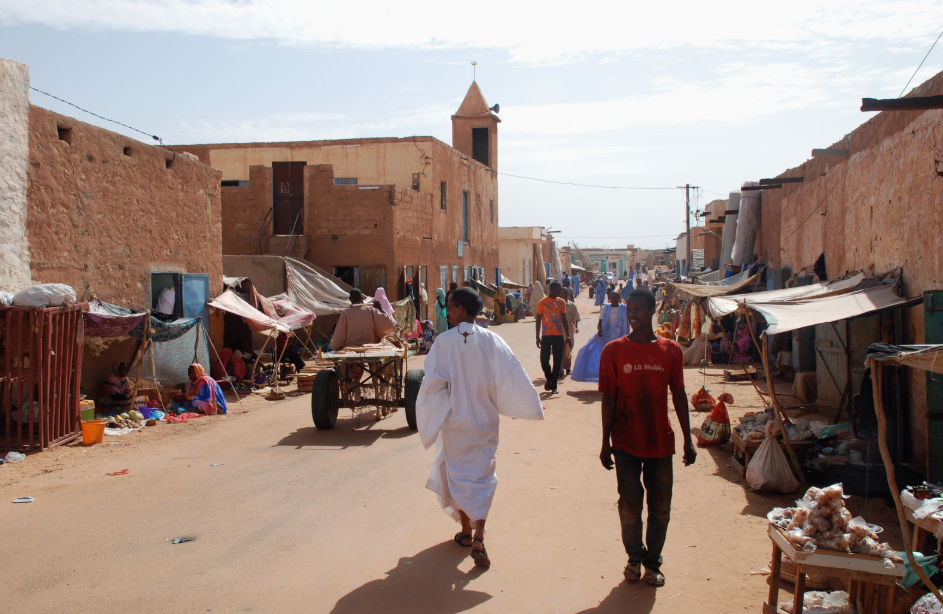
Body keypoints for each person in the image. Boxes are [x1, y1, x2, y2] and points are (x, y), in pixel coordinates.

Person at [416, 287, 544, 568]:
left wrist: (431, 413)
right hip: (484, 421)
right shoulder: (492, 340)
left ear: (461, 309)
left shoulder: (445, 342)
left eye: (449, 307)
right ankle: (478, 536)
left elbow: (431, 383)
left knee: (457, 474)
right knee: (483, 477)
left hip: (455, 422)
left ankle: (465, 530)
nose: (447, 312)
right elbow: (511, 377)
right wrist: (524, 406)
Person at [598, 288, 696, 588]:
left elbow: (678, 394)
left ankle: (653, 563)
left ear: (652, 311)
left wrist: (688, 439)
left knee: (661, 507)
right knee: (629, 505)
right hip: (626, 441)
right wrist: (605, 442)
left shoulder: (671, 351)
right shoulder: (613, 351)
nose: (633, 315)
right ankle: (634, 558)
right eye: (631, 310)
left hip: (659, 442)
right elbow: (609, 398)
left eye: (639, 310)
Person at [572, 291, 630, 383]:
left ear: (620, 298)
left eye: (616, 297)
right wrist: (600, 330)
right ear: (610, 298)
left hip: (620, 338)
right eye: (612, 297)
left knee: (618, 359)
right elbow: (600, 323)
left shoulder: (624, 309)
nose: (614, 299)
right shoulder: (605, 308)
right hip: (606, 338)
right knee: (606, 358)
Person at [332, 289, 397, 351]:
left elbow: (340, 333)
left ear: (350, 299)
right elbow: (388, 323)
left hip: (350, 347)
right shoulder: (371, 310)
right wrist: (380, 308)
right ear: (361, 298)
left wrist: (337, 346)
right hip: (369, 346)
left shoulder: (345, 313)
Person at [535, 281, 570, 394]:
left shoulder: (561, 302)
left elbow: (564, 319)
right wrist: (537, 335)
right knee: (544, 360)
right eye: (558, 290)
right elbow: (538, 320)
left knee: (557, 360)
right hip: (546, 336)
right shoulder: (542, 303)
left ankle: (554, 385)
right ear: (552, 289)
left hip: (558, 336)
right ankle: (549, 378)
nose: (560, 292)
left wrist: (568, 335)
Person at [562, 288, 581, 376]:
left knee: (568, 352)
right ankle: (560, 369)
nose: (564, 295)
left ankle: (568, 368)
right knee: (559, 352)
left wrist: (575, 328)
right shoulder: (556, 305)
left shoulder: (572, 306)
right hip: (558, 333)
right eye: (562, 293)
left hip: (568, 333)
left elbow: (575, 319)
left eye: (566, 293)